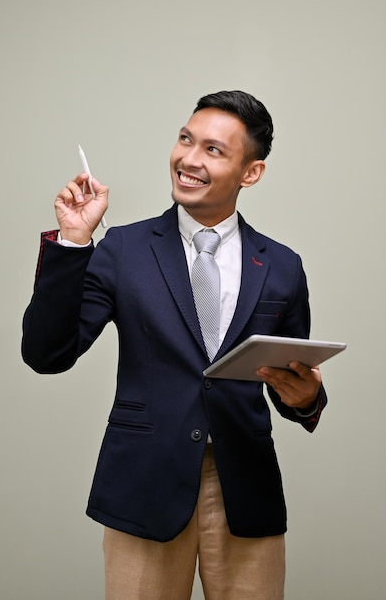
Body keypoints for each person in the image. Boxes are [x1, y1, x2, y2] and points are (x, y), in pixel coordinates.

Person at [22, 90, 327, 600]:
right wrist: (74, 242)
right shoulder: (123, 248)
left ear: (250, 173)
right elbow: (47, 354)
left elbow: (291, 380)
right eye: (185, 139)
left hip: (245, 490)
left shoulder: (282, 265)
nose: (188, 159)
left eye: (213, 149)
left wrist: (306, 400)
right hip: (145, 484)